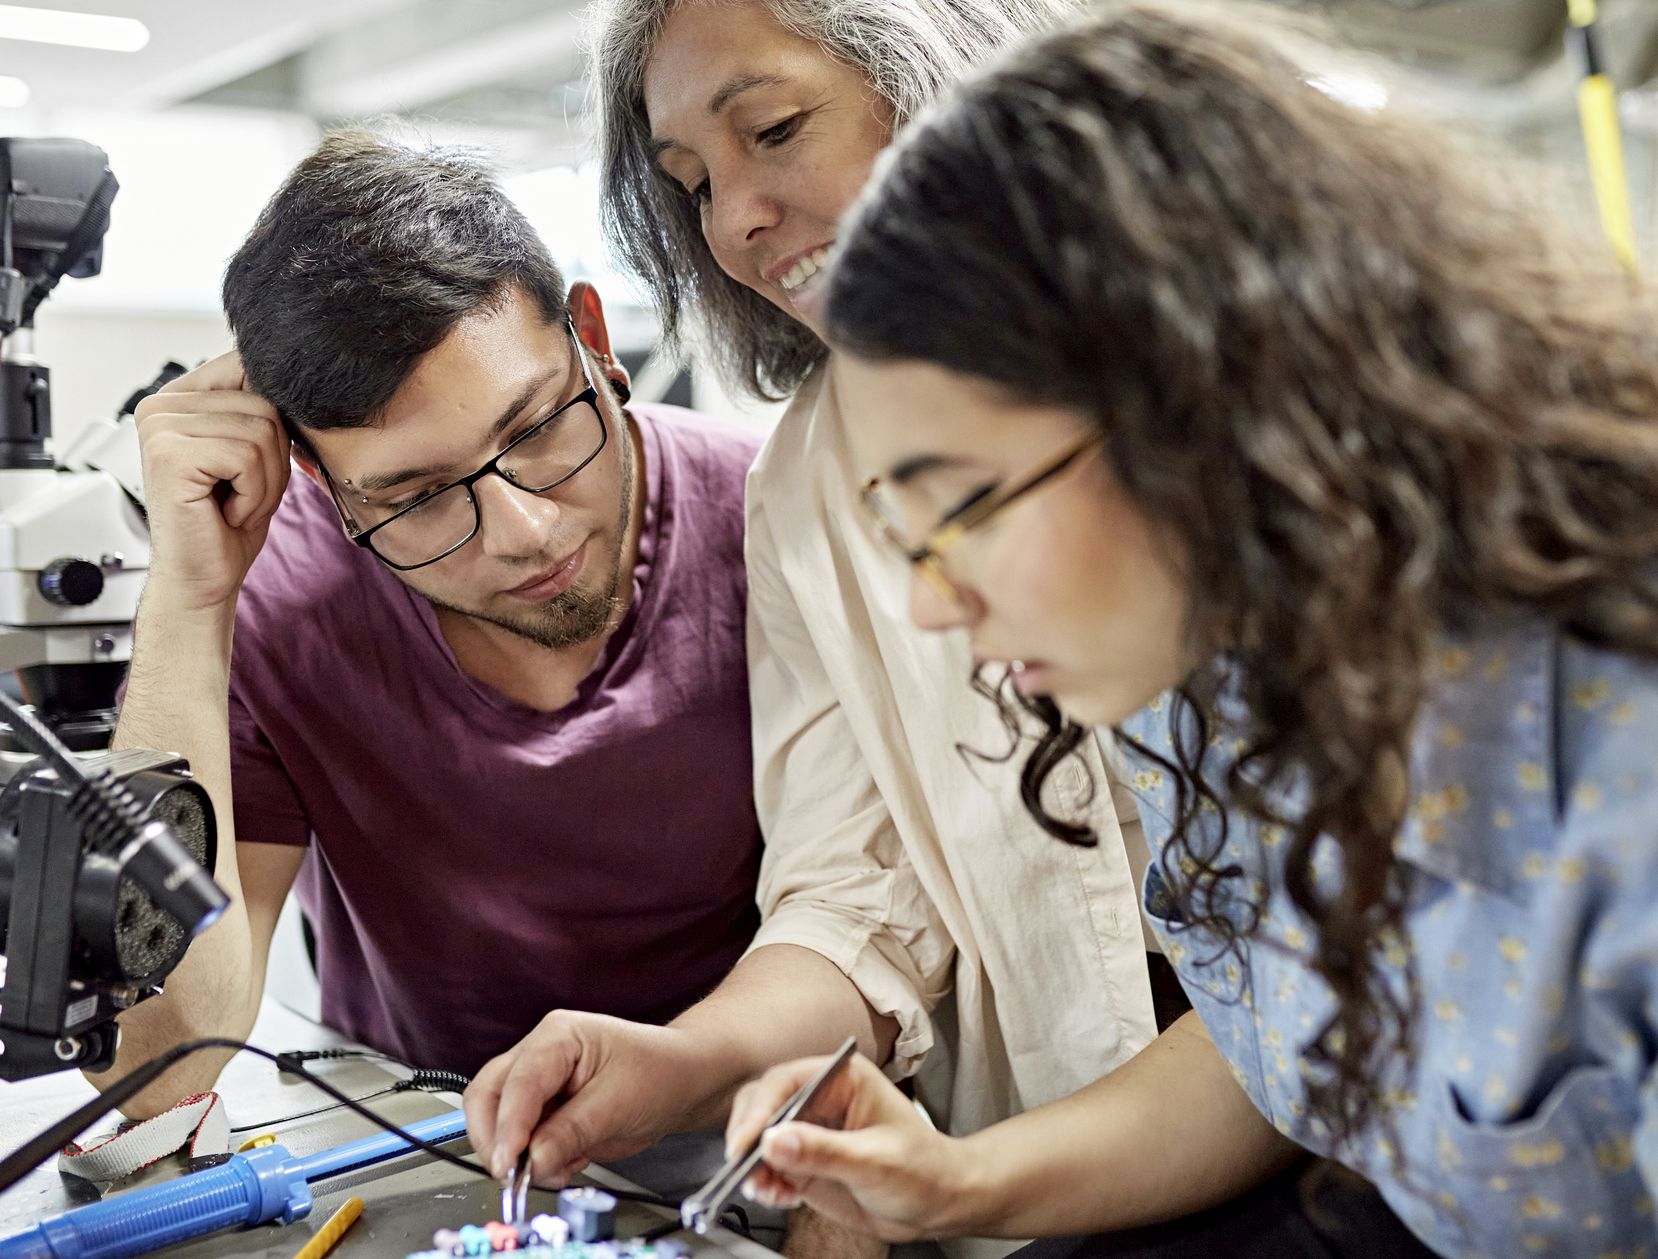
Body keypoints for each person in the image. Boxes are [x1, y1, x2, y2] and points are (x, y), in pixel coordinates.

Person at [718, 5, 1658, 1257]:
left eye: (967, 507)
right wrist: (954, 1182)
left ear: (1204, 407)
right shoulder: (1197, 692)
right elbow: (1271, 1032)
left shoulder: (1617, 763)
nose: (937, 600)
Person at [467, 4, 1164, 1245]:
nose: (732, 223)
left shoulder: (1236, 382)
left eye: (776, 129)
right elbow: (858, 891)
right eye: (689, 186)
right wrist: (681, 1063)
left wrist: (969, 1184)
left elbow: (1317, 987)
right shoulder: (805, 480)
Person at [103, 131, 764, 1147]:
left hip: (762, 1120)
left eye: (539, 427)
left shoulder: (775, 523)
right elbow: (165, 1072)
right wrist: (190, 602)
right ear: (320, 480)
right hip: (424, 1143)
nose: (525, 531)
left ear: (592, 333)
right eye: (412, 497)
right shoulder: (278, 598)